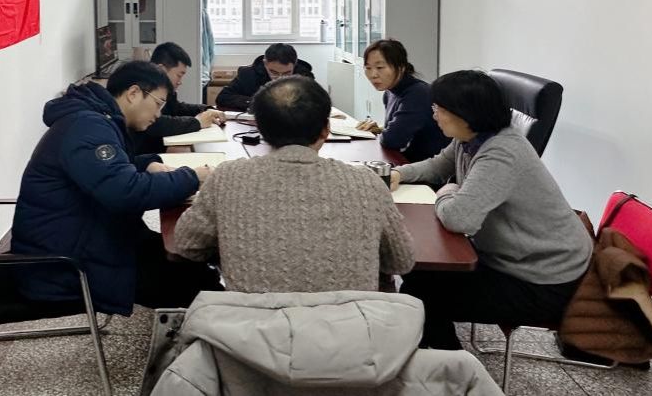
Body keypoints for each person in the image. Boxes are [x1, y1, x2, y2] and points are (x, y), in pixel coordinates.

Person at [393, 70, 592, 350]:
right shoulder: (469, 138)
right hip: (512, 258)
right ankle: (441, 356)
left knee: (422, 294)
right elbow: (437, 166)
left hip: (543, 278)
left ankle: (452, 367)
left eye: (439, 108)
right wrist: (397, 174)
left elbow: (459, 218)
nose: (434, 114)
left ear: (464, 114)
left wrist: (448, 191)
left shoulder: (501, 153)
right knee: (415, 271)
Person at [12, 61, 223, 316]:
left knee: (193, 263)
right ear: (133, 93)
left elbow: (109, 171)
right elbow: (126, 193)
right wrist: (192, 177)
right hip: (65, 267)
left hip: (85, 237)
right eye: (158, 104)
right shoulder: (88, 127)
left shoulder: (95, 118)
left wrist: (147, 164)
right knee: (196, 284)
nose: (158, 114)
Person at [174, 75, 415, 293]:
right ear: (326, 130)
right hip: (351, 326)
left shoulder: (228, 178)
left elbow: (187, 244)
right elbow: (401, 261)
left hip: (252, 325)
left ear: (261, 130)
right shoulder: (367, 183)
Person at [355, 39, 449, 161]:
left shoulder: (418, 93)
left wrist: (386, 132)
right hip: (408, 161)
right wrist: (380, 129)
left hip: (429, 167)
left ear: (401, 67)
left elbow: (393, 140)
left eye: (380, 67)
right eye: (368, 68)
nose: (373, 74)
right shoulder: (389, 93)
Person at [133, 42, 226, 155]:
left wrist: (206, 109)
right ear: (161, 69)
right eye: (179, 75)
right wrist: (197, 122)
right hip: (142, 153)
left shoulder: (164, 89)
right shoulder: (142, 89)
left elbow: (177, 108)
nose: (180, 82)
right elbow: (155, 123)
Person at [214, 43, 313, 112]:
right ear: (265, 63)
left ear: (295, 65)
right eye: (274, 72)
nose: (280, 78)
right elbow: (223, 98)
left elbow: (314, 103)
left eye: (287, 73)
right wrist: (259, 102)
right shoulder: (248, 74)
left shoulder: (304, 77)